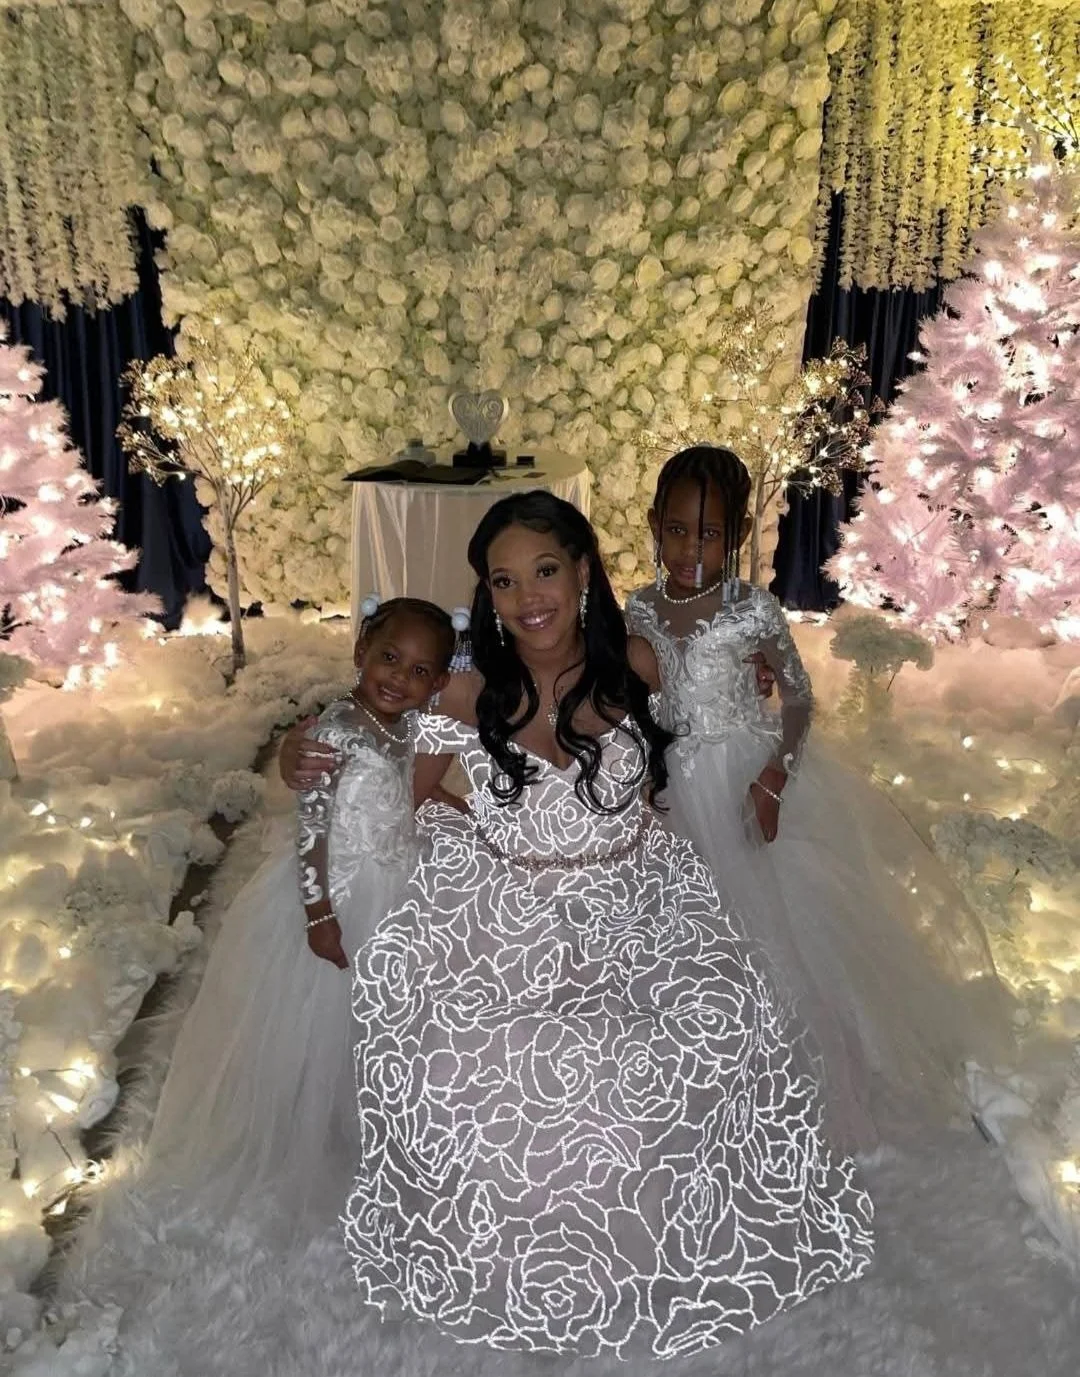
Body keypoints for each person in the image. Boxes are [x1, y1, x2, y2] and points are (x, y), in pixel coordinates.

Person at [283, 492, 872, 1358]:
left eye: (546, 570)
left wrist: (766, 738)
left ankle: (669, 1214)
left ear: (586, 569)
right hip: (501, 903)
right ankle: (513, 1229)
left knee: (719, 1019)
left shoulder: (640, 660)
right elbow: (371, 762)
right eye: (504, 579)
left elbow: (720, 720)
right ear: (486, 593)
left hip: (640, 896)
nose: (528, 596)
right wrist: (292, 753)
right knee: (469, 1053)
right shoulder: (457, 690)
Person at [625, 446, 1011, 1150]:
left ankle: (814, 1093)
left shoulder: (752, 609)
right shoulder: (641, 606)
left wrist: (773, 778)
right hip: (680, 789)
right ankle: (712, 1094)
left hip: (751, 775)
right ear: (653, 524)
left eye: (709, 534)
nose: (689, 547)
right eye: (676, 529)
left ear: (738, 536)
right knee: (697, 949)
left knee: (791, 938)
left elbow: (799, 700)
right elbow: (637, 699)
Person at [144, 597, 458, 1235]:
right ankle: (300, 1129)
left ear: (439, 684)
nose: (400, 677)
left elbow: (403, 796)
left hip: (393, 882)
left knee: (377, 1017)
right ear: (360, 651)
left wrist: (460, 811)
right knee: (317, 1017)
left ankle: (362, 1121)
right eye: (390, 658)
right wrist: (318, 912)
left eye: (421, 671)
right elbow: (311, 830)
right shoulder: (337, 728)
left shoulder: (402, 729)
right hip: (339, 891)